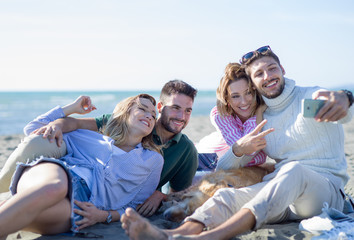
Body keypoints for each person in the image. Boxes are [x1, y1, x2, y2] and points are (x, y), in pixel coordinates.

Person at [120, 45, 354, 240]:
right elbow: (231, 164)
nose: (268, 76)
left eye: (272, 69)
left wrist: (345, 98)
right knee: (226, 196)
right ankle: (176, 236)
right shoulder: (263, 115)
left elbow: (342, 110)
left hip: (325, 192)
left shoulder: (311, 95)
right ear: (253, 82)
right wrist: (239, 149)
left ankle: (209, 238)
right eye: (259, 74)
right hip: (284, 195)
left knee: (293, 171)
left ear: (282, 69)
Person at [0, 80, 199, 217]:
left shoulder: (185, 150)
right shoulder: (126, 123)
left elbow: (179, 194)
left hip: (95, 193)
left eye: (188, 110)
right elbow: (75, 125)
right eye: (175, 108)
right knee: (37, 142)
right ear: (161, 107)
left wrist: (161, 195)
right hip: (71, 163)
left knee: (42, 198)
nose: (181, 116)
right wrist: (59, 124)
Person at [0, 94, 164, 239]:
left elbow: (136, 205)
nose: (149, 116)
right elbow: (33, 130)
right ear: (126, 112)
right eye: (143, 109)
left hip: (84, 204)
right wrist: (71, 108)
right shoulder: (94, 138)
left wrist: (103, 216)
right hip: (58, 173)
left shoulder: (153, 160)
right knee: (54, 187)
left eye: (153, 115)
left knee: (28, 215)